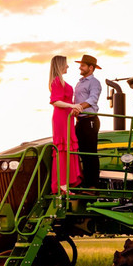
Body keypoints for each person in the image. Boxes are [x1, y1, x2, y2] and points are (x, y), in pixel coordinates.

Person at [49, 55, 83, 194]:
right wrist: (73, 105)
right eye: (66, 64)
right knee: (62, 149)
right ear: (60, 65)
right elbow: (55, 101)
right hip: (61, 118)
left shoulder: (60, 81)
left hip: (67, 118)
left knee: (68, 148)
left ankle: (66, 182)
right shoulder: (57, 81)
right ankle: (61, 183)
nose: (68, 66)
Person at [72, 54, 102, 191]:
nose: (80, 67)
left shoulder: (94, 82)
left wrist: (79, 107)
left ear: (91, 67)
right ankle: (85, 182)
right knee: (83, 152)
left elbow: (92, 100)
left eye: (83, 65)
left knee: (90, 153)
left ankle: (93, 185)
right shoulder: (80, 82)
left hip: (89, 120)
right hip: (80, 120)